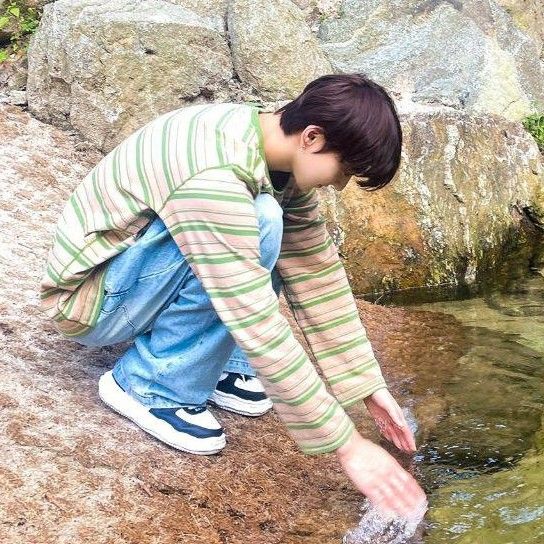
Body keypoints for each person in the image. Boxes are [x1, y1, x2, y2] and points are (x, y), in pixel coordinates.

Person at [39, 73, 427, 516]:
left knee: (271, 222)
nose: (339, 185)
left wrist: (367, 387)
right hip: (90, 300)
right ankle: (149, 386)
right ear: (313, 137)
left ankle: (220, 366)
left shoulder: (265, 149)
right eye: (345, 171)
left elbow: (315, 270)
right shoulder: (215, 177)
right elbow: (253, 316)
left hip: (135, 281)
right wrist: (348, 445)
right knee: (260, 221)